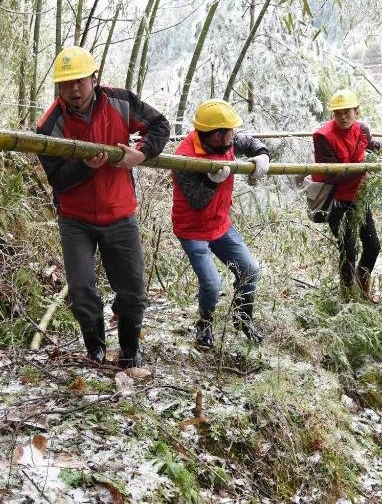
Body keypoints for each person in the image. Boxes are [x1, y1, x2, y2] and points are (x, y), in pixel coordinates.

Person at [35, 45, 170, 368]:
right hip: (75, 219)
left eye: (80, 81)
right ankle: (94, 349)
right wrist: (86, 165)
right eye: (66, 84)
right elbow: (58, 180)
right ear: (59, 88)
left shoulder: (120, 102)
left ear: (94, 79)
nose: (75, 90)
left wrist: (142, 152)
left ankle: (129, 351)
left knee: (133, 291)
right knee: (82, 290)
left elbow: (160, 125)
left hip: (120, 213)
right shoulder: (49, 124)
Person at [171, 99, 271, 348]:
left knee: (250, 269)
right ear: (216, 136)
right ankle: (204, 325)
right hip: (192, 230)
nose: (234, 135)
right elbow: (197, 201)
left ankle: (242, 318)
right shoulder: (184, 158)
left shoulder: (227, 140)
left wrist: (262, 154)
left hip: (220, 224)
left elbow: (248, 141)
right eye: (230, 132)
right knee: (212, 283)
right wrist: (212, 181)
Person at [312, 89, 382, 302]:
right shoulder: (323, 136)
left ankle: (362, 282)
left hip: (358, 197)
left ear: (356, 112)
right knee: (348, 251)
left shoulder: (362, 129)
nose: (343, 117)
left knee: (373, 246)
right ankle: (348, 298)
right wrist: (367, 167)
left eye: (347, 112)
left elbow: (375, 146)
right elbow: (332, 173)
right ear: (333, 114)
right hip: (336, 200)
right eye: (338, 113)